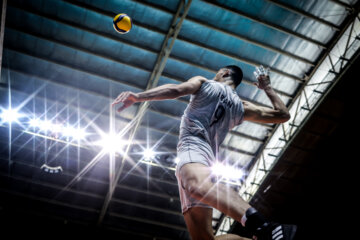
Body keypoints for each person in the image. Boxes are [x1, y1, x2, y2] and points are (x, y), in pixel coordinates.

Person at [112, 65, 297, 240]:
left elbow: (175, 90)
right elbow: (283, 115)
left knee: (196, 185)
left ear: (224, 73)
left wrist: (138, 96)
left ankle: (266, 228)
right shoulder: (242, 106)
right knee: (203, 239)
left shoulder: (205, 83)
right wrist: (267, 88)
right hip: (203, 158)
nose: (214, 75)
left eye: (217, 73)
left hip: (193, 147)